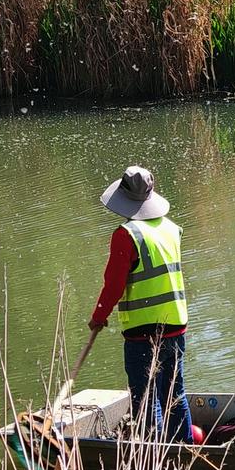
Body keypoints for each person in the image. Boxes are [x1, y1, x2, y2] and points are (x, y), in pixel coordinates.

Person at [89, 165, 193, 443]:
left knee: (146, 400)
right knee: (175, 394)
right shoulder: (171, 228)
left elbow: (114, 284)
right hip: (176, 325)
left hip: (143, 332)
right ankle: (185, 451)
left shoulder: (126, 235)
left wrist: (99, 316)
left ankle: (152, 460)